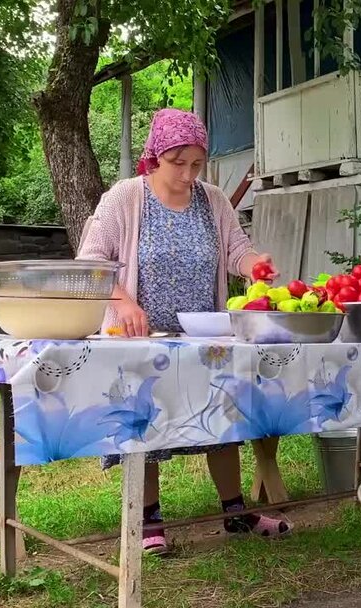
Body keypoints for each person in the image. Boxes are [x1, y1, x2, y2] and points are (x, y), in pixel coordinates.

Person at [78, 108, 290, 555]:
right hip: (138, 339)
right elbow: (91, 262)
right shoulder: (124, 198)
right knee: (145, 420)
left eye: (197, 164)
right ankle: (148, 518)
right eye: (178, 163)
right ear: (155, 156)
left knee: (223, 414)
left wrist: (255, 265)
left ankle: (235, 513)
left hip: (202, 338)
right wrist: (124, 302)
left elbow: (237, 250)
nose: (188, 174)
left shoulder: (213, 199)